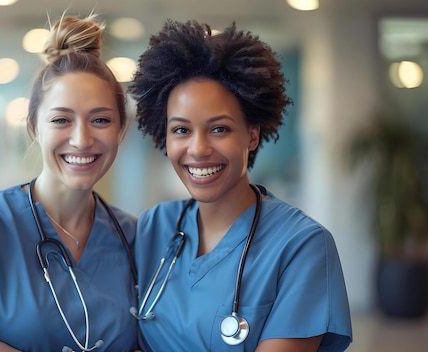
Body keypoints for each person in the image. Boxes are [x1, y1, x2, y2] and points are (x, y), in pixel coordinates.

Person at [128, 19, 352, 351]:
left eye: (219, 129)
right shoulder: (151, 229)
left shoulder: (301, 246)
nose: (199, 149)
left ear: (252, 134)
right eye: (181, 130)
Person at [0, 13, 138, 352]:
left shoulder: (135, 238)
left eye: (100, 119)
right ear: (35, 128)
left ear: (120, 130)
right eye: (61, 119)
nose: (82, 139)